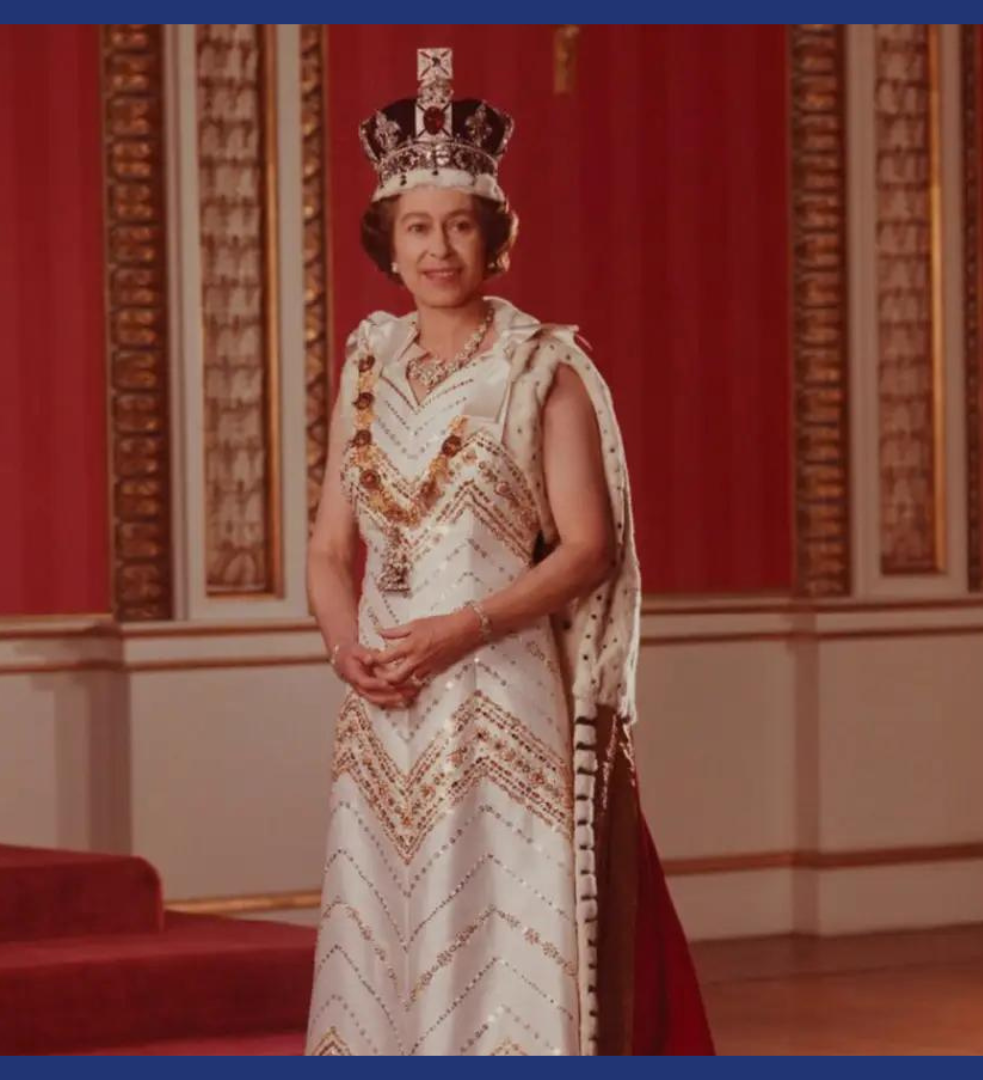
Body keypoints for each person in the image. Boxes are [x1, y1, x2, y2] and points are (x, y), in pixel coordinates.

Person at [304, 47, 715, 1057]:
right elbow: (326, 546)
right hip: (388, 701)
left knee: (500, 922)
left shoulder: (544, 368)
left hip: (499, 693)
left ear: (492, 240)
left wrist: (464, 625)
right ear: (388, 245)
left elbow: (589, 548)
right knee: (385, 924)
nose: (438, 247)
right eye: (416, 227)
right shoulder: (366, 361)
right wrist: (340, 644)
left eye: (458, 225)